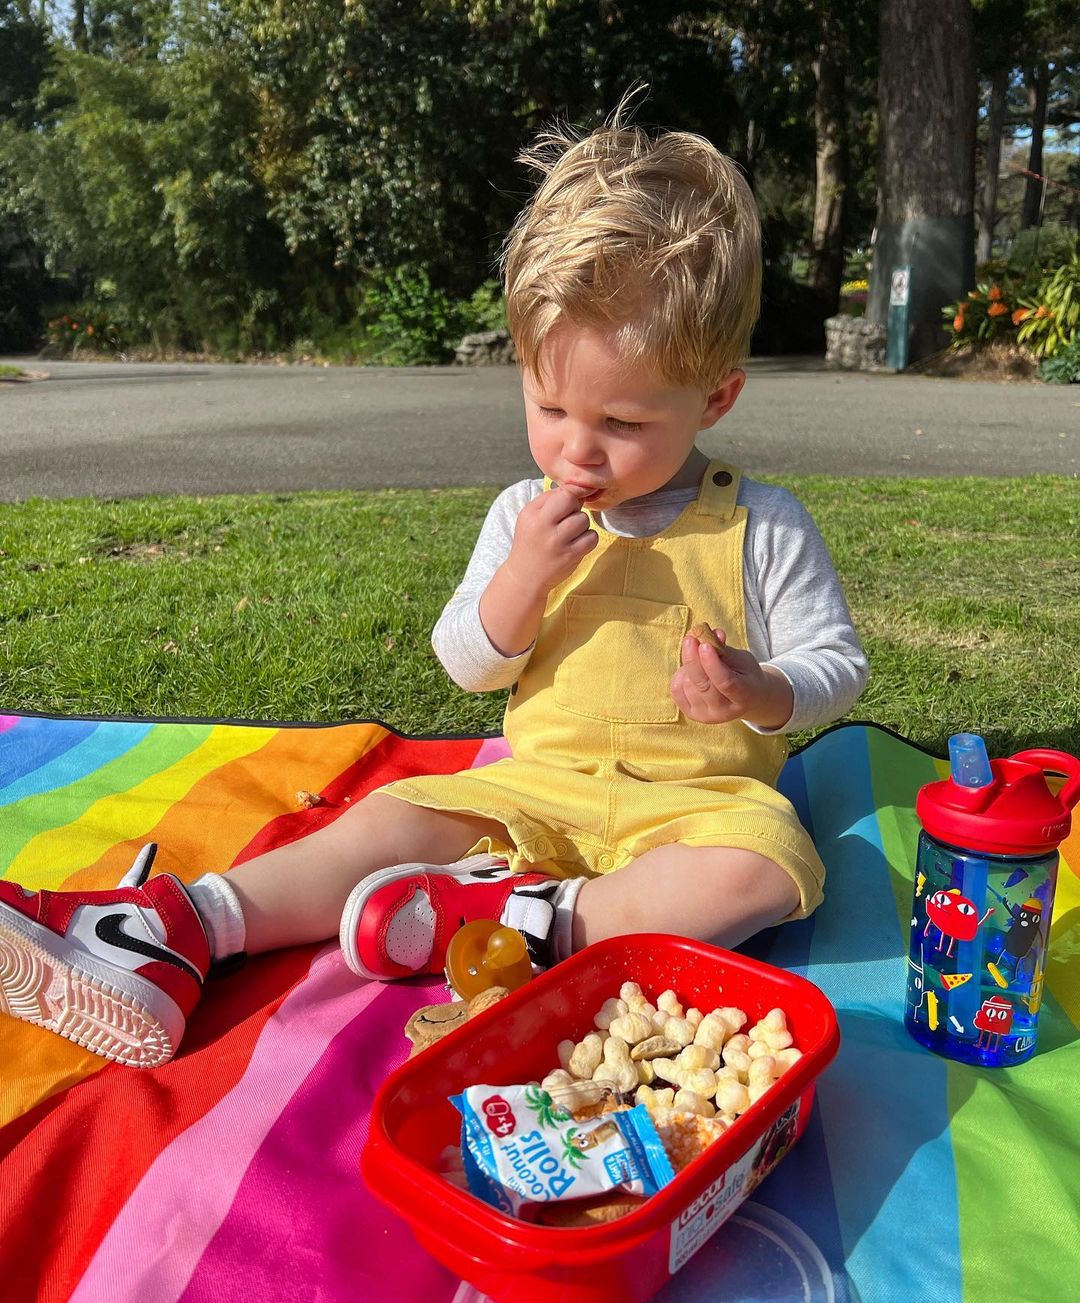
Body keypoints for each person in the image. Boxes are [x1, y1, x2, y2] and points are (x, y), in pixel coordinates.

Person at [0, 107, 867, 1068]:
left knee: (767, 869)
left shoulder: (762, 524)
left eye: (621, 423)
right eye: (549, 407)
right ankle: (182, 927)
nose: (576, 450)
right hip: (537, 790)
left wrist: (760, 688)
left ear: (715, 398)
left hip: (696, 805)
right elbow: (466, 665)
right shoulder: (521, 513)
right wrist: (521, 582)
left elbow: (838, 665)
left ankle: (530, 923)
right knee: (390, 817)